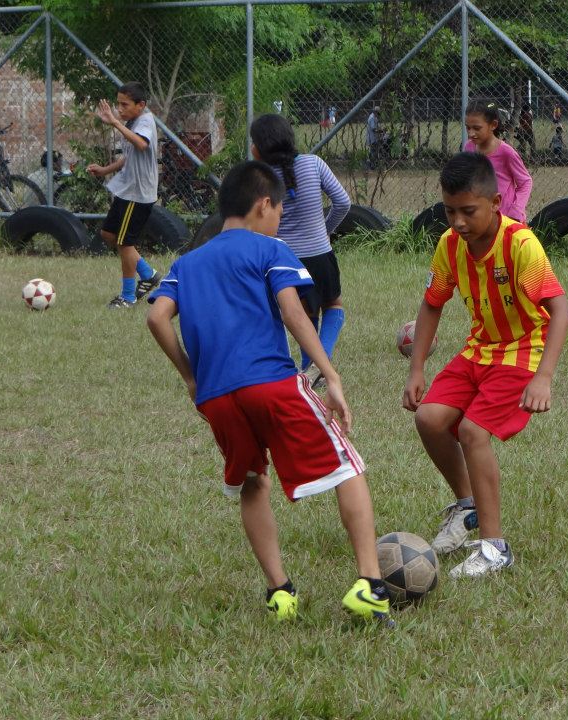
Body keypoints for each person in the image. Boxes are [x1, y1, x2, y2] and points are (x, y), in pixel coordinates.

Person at [146, 160, 392, 626]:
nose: (280, 218)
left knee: (253, 480)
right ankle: (370, 584)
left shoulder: (188, 262)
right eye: (280, 209)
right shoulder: (271, 249)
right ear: (264, 205)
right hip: (271, 384)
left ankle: (280, 592)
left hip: (217, 397)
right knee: (347, 465)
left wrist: (190, 377)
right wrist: (329, 373)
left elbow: (157, 317)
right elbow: (293, 312)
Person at [402, 152, 568, 578]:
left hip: (523, 351)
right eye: (449, 211)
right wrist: (416, 369)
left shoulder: (520, 245)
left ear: (496, 203)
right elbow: (431, 304)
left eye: (468, 211)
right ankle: (467, 507)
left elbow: (560, 309)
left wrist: (544, 378)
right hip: (480, 350)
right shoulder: (449, 245)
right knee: (429, 419)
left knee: (472, 431)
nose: (457, 222)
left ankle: (495, 549)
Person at [249, 114, 352, 386]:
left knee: (305, 315)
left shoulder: (260, 178)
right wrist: (324, 230)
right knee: (333, 306)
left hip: (284, 261)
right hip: (320, 253)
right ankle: (320, 363)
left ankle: (311, 368)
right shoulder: (313, 163)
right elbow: (343, 202)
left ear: (258, 148)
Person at [87, 81, 161, 309]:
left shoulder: (145, 121)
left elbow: (140, 144)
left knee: (125, 243)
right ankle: (148, 275)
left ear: (141, 105)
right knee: (108, 234)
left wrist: (116, 123)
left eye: (125, 104)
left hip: (138, 195)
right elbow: (128, 156)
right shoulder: (131, 121)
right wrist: (105, 170)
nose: (120, 109)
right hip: (127, 190)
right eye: (118, 104)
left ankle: (128, 296)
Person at [463, 99, 533, 223]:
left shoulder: (506, 153)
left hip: (507, 221)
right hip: (481, 220)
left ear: (493, 125)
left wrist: (515, 212)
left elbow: (526, 182)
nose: (471, 133)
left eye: (476, 128)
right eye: (468, 128)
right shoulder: (468, 148)